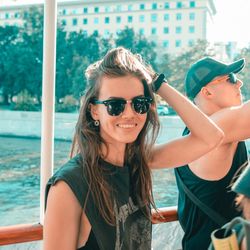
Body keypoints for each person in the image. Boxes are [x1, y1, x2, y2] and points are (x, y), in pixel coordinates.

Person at [43, 47, 223, 250]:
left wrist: (157, 82)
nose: (129, 114)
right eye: (115, 105)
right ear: (94, 110)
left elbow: (212, 137)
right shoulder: (69, 185)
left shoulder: (139, 161)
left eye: (139, 103)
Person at [174, 57, 250, 250]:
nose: (239, 82)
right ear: (207, 91)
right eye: (231, 78)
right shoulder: (218, 126)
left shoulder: (194, 132)